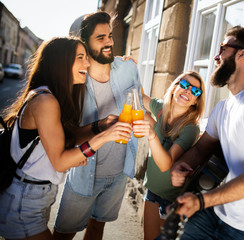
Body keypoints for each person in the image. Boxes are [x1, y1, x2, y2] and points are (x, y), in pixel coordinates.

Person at [0, 37, 132, 240]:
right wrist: (104, 137)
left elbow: (64, 138)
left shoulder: (52, 97)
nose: (87, 64)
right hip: (24, 200)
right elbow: (60, 161)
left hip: (34, 196)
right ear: (61, 62)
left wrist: (99, 125)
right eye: (80, 58)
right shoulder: (45, 101)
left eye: (86, 58)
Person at [168, 26, 244, 239]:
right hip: (222, 210)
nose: (216, 57)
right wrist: (181, 164)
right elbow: (200, 151)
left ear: (241, 54)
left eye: (222, 48)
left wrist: (201, 201)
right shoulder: (223, 108)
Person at [53, 11, 143, 240]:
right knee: (63, 234)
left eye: (110, 35)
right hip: (84, 172)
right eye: (100, 38)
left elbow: (140, 106)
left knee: (97, 229)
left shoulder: (128, 69)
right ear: (84, 43)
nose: (110, 42)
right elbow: (67, 133)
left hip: (118, 172)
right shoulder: (74, 80)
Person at [132, 71, 205, 240]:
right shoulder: (160, 108)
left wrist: (151, 134)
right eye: (185, 85)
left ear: (196, 101)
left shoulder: (190, 128)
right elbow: (140, 96)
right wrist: (132, 68)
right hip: (152, 190)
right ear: (175, 87)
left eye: (195, 91)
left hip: (170, 200)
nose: (188, 91)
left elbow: (166, 164)